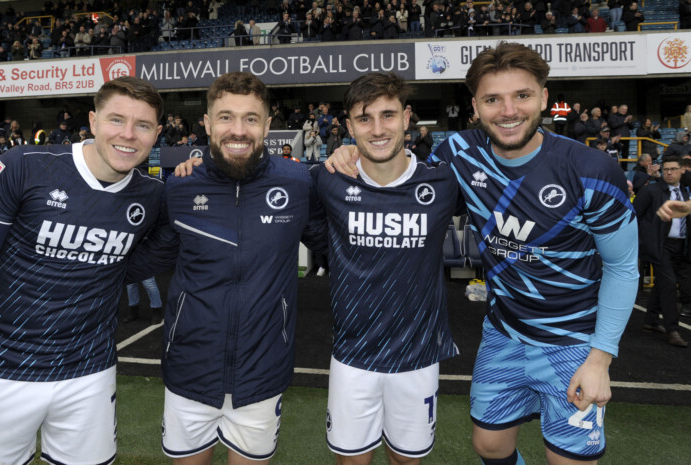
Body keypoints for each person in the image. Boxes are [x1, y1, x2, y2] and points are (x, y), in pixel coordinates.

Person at [325, 42, 639, 465]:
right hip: (503, 333)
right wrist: (349, 152)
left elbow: (623, 267)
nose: (508, 111)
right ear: (475, 107)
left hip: (573, 342)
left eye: (522, 95)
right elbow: (401, 175)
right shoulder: (457, 153)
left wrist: (600, 359)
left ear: (544, 97)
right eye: (493, 99)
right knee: (489, 445)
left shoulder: (592, 170)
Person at [0, 76, 166, 465]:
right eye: (116, 120)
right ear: (93, 121)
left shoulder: (152, 194)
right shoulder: (24, 166)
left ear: (157, 134)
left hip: (90, 373)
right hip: (0, 367)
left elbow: (148, 256)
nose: (128, 134)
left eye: (142, 125)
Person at [130, 71, 326, 465]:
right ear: (207, 123)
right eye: (225, 117)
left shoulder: (298, 183)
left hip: (262, 375)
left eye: (251, 118)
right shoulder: (180, 186)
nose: (238, 130)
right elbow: (151, 256)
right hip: (188, 372)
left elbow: (337, 250)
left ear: (267, 126)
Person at [312, 72, 459, 465]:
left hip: (418, 359)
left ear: (407, 118)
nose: (377, 129)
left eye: (388, 115)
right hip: (352, 358)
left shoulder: (443, 182)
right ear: (349, 127)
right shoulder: (327, 180)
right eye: (364, 118)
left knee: (407, 460)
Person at [632, 156, 689, 348]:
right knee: (670, 285)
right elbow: (634, 216)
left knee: (663, 284)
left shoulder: (685, 192)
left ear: (682, 170)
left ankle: (651, 320)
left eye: (673, 169)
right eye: (666, 169)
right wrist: (644, 240)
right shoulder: (651, 191)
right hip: (658, 245)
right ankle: (672, 330)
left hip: (680, 245)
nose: (669, 173)